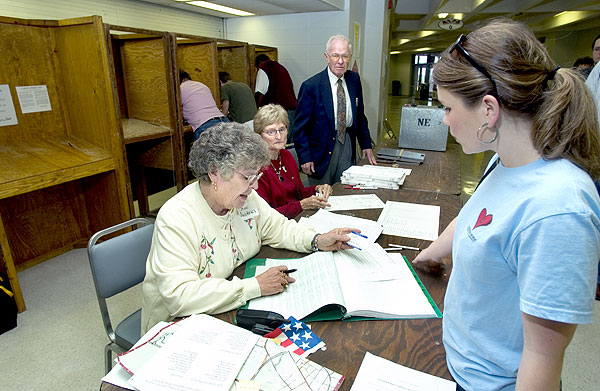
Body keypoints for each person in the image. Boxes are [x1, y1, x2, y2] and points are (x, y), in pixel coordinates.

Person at [412, 19, 600, 391]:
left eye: (448, 108)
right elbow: (476, 217)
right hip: (456, 357)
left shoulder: (559, 208)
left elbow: (542, 358)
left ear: (488, 110)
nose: (444, 120)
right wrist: (425, 257)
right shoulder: (505, 159)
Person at [141, 122, 355, 333]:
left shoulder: (245, 198)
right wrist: (255, 286)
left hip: (224, 309)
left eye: (257, 176)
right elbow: (180, 296)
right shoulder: (177, 217)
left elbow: (279, 228)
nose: (255, 186)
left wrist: (316, 240)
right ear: (215, 172)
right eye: (247, 177)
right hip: (175, 327)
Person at [293, 34, 376, 186]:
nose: (340, 61)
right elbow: (300, 128)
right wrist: (305, 157)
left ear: (350, 57)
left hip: (347, 144)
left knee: (345, 190)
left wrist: (366, 144)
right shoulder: (311, 86)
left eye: (344, 56)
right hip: (321, 150)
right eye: (335, 55)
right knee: (321, 197)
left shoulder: (354, 80)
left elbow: (359, 116)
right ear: (326, 57)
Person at [254, 104, 332, 219]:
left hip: (298, 218)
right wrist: (301, 205)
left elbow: (298, 193)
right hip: (276, 228)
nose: (279, 136)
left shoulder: (286, 156)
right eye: (271, 132)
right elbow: (265, 216)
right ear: (259, 135)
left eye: (282, 129)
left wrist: (316, 189)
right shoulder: (256, 167)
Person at [254, 54, 297, 143]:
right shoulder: (281, 67)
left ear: (258, 63)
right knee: (288, 143)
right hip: (292, 109)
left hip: (279, 112)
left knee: (277, 142)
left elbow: (259, 92)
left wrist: (257, 110)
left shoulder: (264, 67)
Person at [179, 70, 228, 140]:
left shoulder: (180, 88)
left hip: (205, 126)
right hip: (223, 121)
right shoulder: (201, 85)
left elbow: (177, 112)